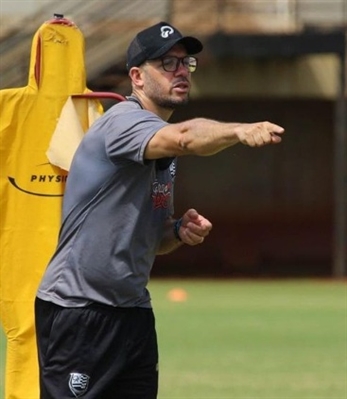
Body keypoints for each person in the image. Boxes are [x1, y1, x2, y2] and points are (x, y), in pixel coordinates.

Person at [35, 21, 284, 399]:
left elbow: (155, 240)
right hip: (79, 311)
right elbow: (185, 138)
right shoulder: (123, 123)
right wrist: (237, 131)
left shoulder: (160, 148)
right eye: (167, 63)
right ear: (136, 76)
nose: (181, 71)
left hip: (132, 313)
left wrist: (177, 231)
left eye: (186, 63)